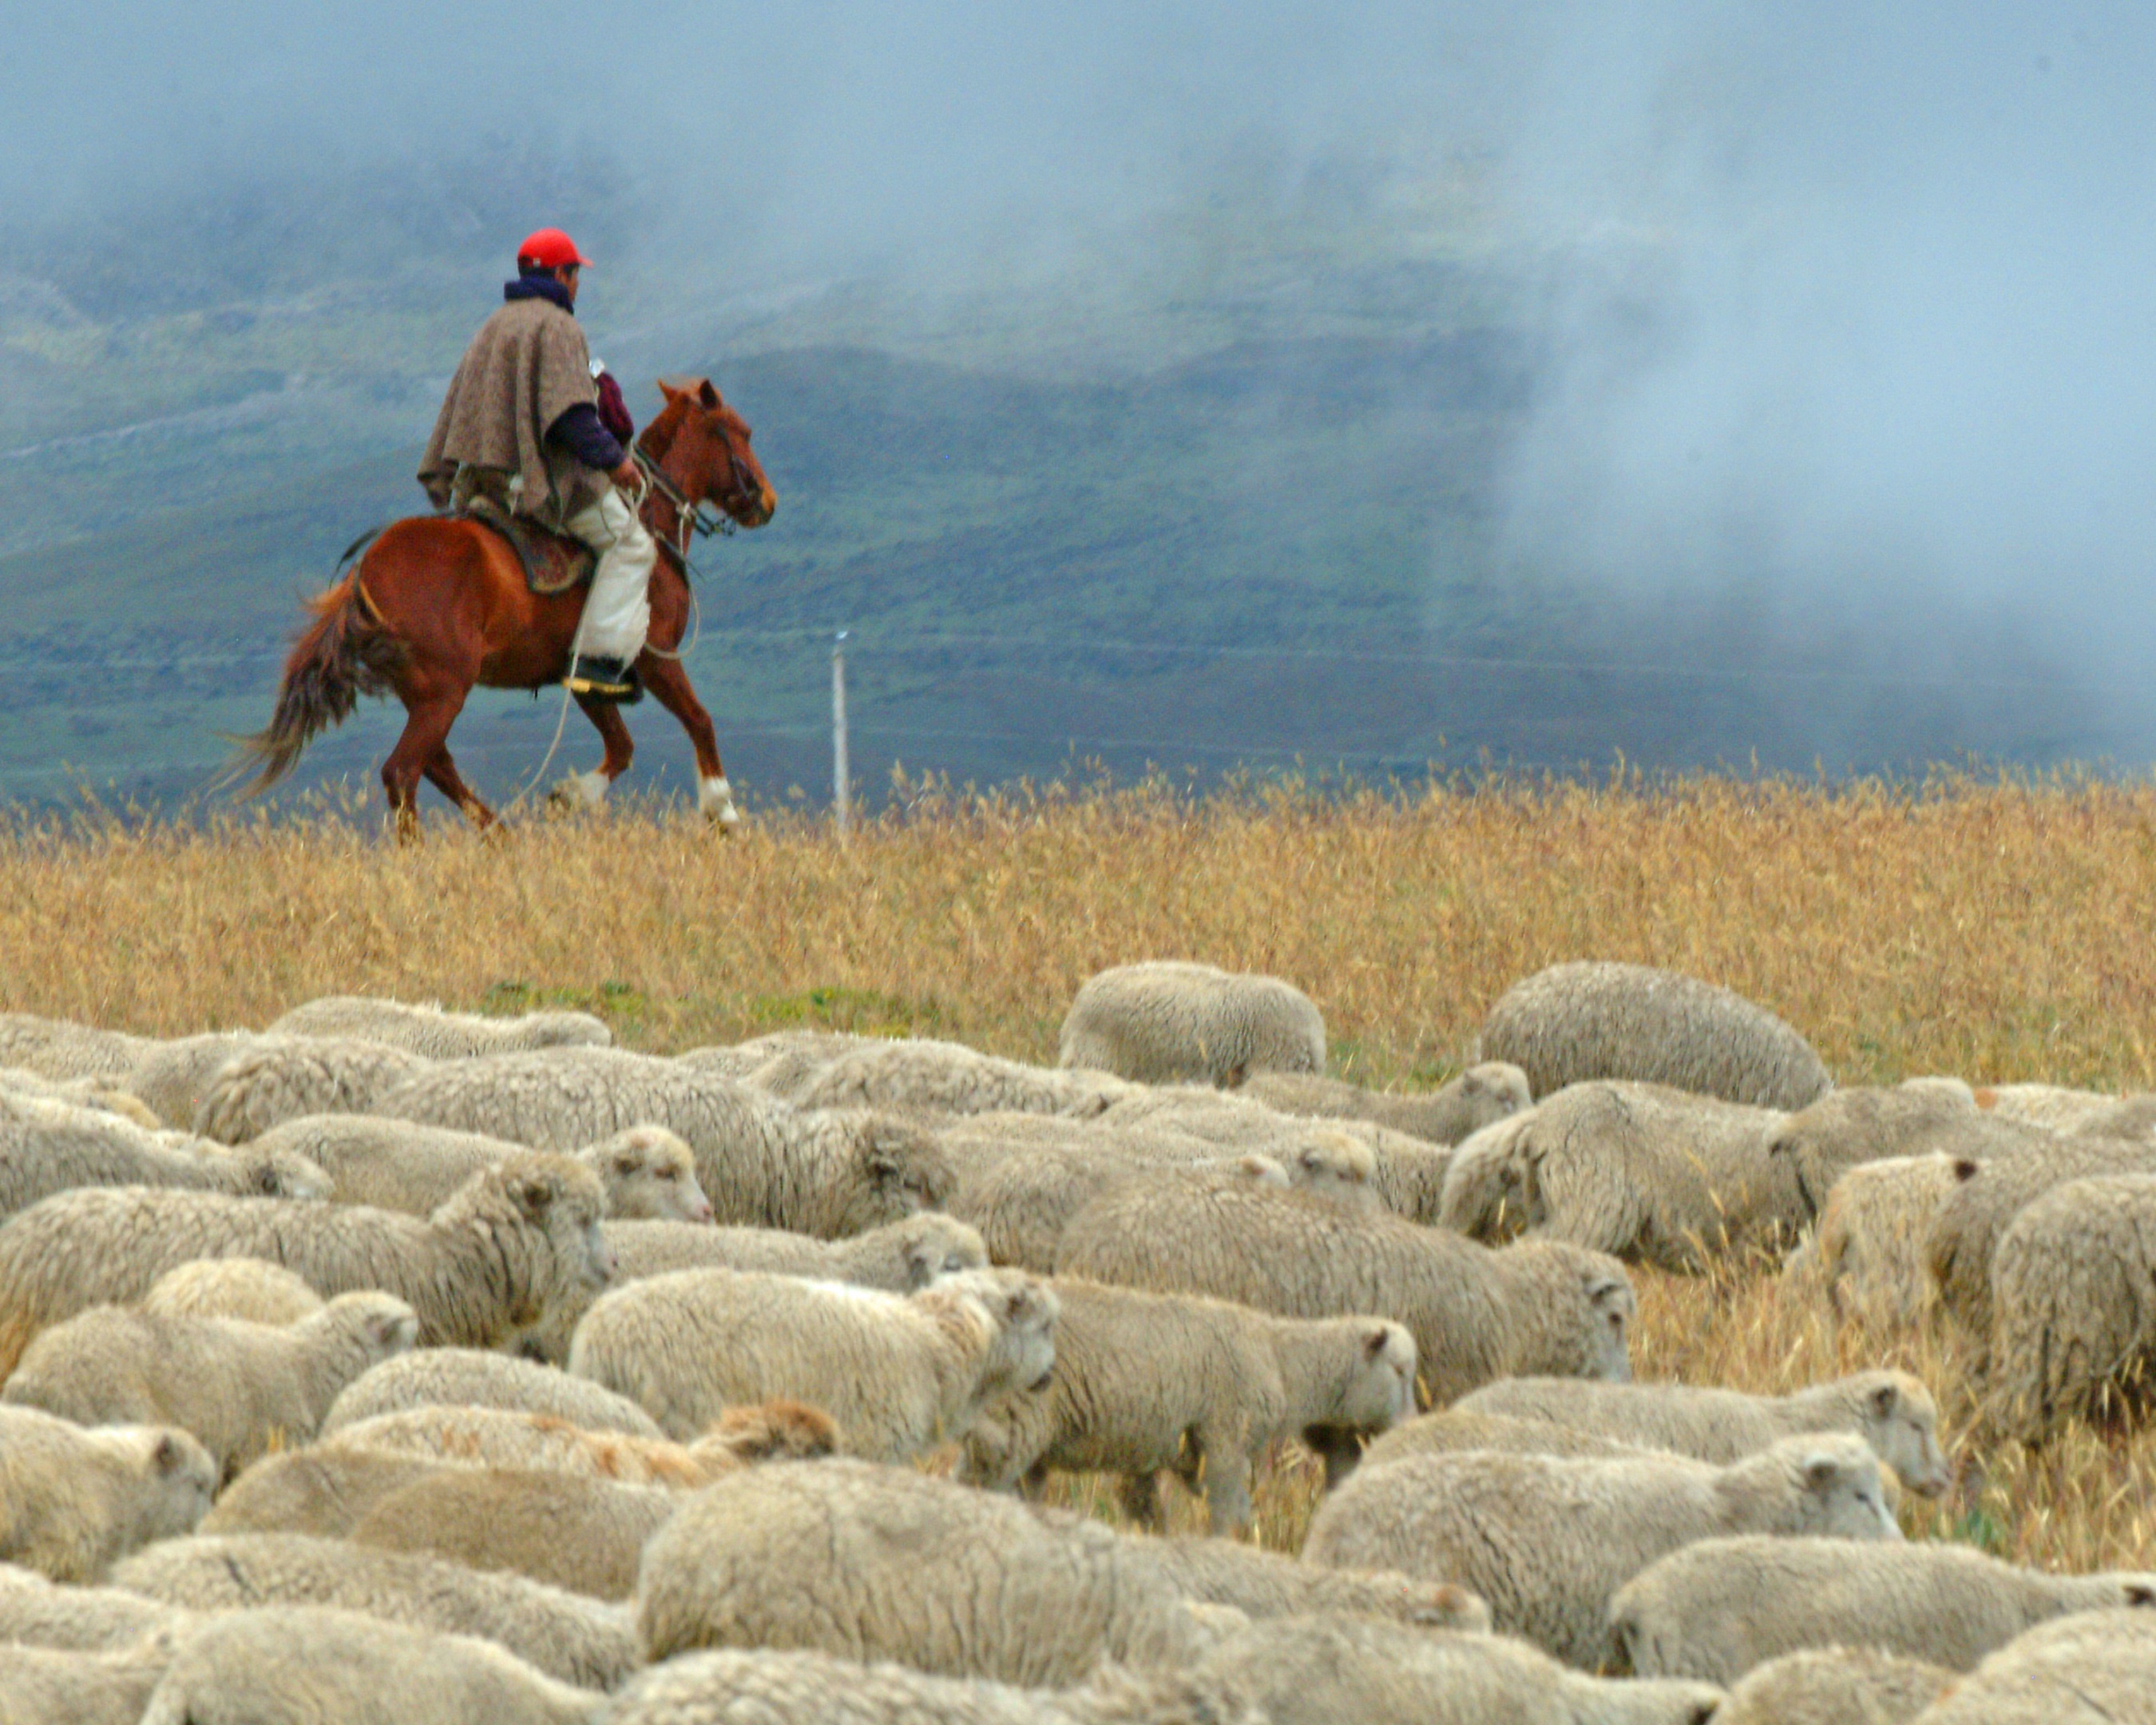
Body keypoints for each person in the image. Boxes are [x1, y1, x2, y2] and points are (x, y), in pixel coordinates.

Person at [417, 228, 656, 702]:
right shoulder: (559, 327)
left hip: (485, 482)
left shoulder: (494, 325)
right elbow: (570, 416)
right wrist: (617, 465)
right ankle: (598, 661)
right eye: (575, 274)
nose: (577, 285)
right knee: (632, 544)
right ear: (561, 275)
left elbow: (458, 409)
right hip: (538, 487)